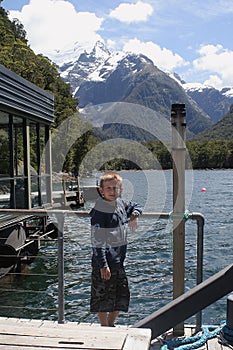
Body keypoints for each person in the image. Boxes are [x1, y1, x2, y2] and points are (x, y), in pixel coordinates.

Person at [89, 171, 142, 326]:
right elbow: (97, 241)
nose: (112, 191)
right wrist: (103, 265)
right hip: (104, 263)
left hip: (118, 262)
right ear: (101, 191)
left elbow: (135, 206)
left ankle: (111, 324)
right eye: (109, 188)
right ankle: (104, 326)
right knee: (101, 297)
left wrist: (135, 215)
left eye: (115, 188)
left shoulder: (120, 203)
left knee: (121, 295)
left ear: (121, 190)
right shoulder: (99, 211)